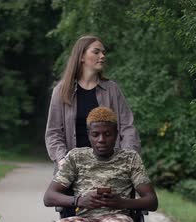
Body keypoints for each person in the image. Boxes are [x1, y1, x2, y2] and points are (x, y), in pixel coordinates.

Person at [45, 35, 141, 171]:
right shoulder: (62, 91)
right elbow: (53, 133)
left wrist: (127, 159)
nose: (102, 56)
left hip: (109, 168)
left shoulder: (112, 89)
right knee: (53, 194)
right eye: (96, 52)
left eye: (103, 52)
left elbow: (128, 127)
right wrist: (62, 160)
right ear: (81, 57)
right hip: (73, 169)